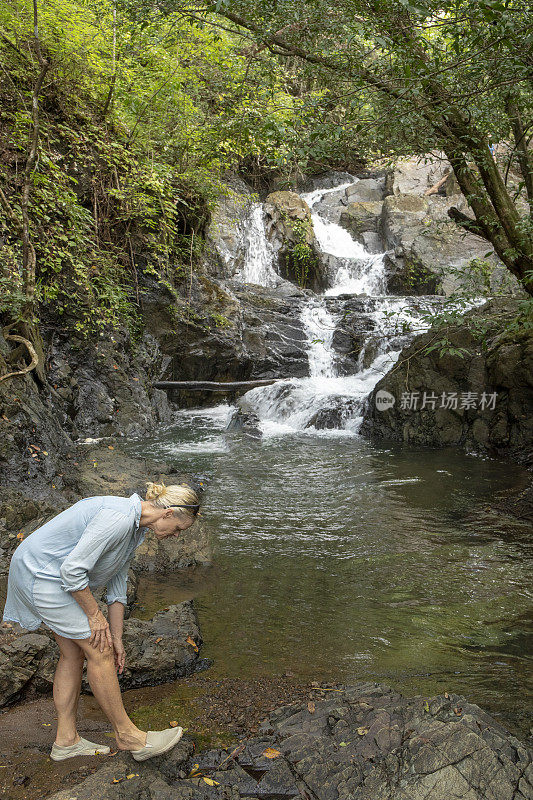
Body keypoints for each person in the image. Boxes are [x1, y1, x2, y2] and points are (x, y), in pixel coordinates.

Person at [2, 480, 201, 762]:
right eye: (179, 529)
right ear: (168, 513)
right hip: (41, 575)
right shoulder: (118, 518)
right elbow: (72, 571)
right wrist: (96, 617)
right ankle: (129, 736)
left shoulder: (135, 528)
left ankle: (66, 742)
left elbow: (117, 586)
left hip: (50, 575)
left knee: (74, 652)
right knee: (100, 650)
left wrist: (117, 637)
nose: (177, 536)